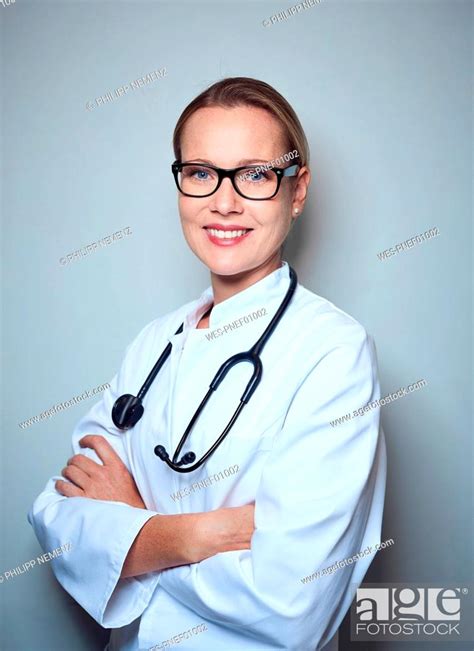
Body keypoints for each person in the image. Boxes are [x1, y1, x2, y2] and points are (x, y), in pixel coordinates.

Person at [28, 76, 387, 651]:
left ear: (297, 191)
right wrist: (201, 534)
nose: (224, 201)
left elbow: (289, 602)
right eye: (200, 173)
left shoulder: (333, 352)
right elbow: (56, 517)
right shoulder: (153, 343)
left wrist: (129, 529)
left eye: (255, 174)